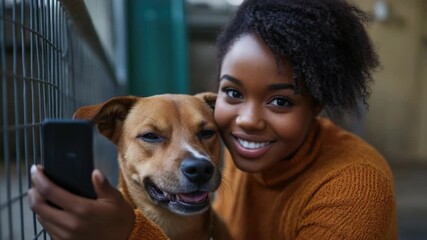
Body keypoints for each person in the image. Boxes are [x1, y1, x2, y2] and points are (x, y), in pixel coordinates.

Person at [29, 0, 398, 239]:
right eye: (234, 93)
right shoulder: (233, 148)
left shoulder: (356, 187)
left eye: (281, 100)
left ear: (316, 106)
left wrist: (128, 234)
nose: (247, 121)